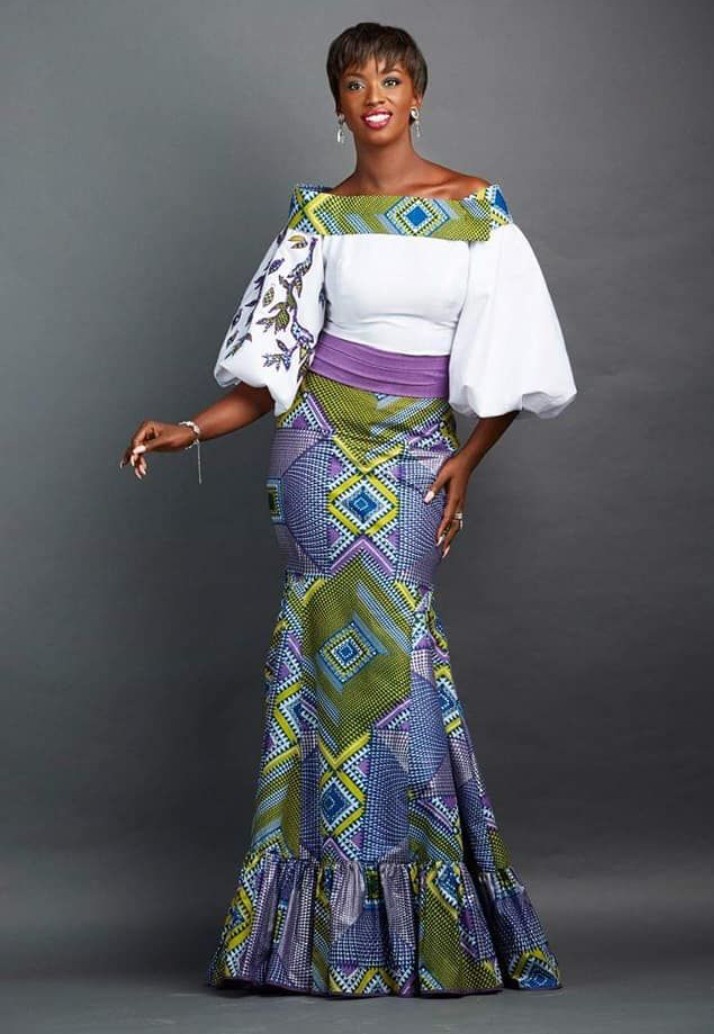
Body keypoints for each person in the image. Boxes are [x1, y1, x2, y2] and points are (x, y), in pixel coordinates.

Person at [119, 21, 576, 1000]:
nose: (374, 94)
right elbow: (272, 373)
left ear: (418, 96)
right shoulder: (315, 219)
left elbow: (512, 367)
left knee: (397, 670)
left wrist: (467, 460)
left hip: (416, 455)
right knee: (320, 677)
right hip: (318, 454)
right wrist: (191, 429)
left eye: (392, 78)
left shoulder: (477, 212)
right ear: (337, 103)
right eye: (356, 81)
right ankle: (304, 940)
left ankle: (421, 930)